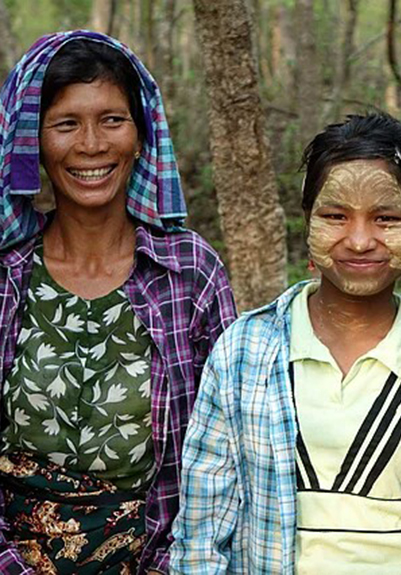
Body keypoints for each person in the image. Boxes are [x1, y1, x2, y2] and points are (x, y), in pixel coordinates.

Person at [0, 30, 236, 574]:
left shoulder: (189, 274)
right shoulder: (8, 275)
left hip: (156, 558)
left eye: (112, 120)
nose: (91, 145)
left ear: (140, 134)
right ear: (32, 140)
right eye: (66, 124)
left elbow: (224, 454)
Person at [170, 113, 401, 574]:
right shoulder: (243, 352)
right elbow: (201, 535)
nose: (359, 241)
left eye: (386, 217)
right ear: (308, 221)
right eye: (336, 215)